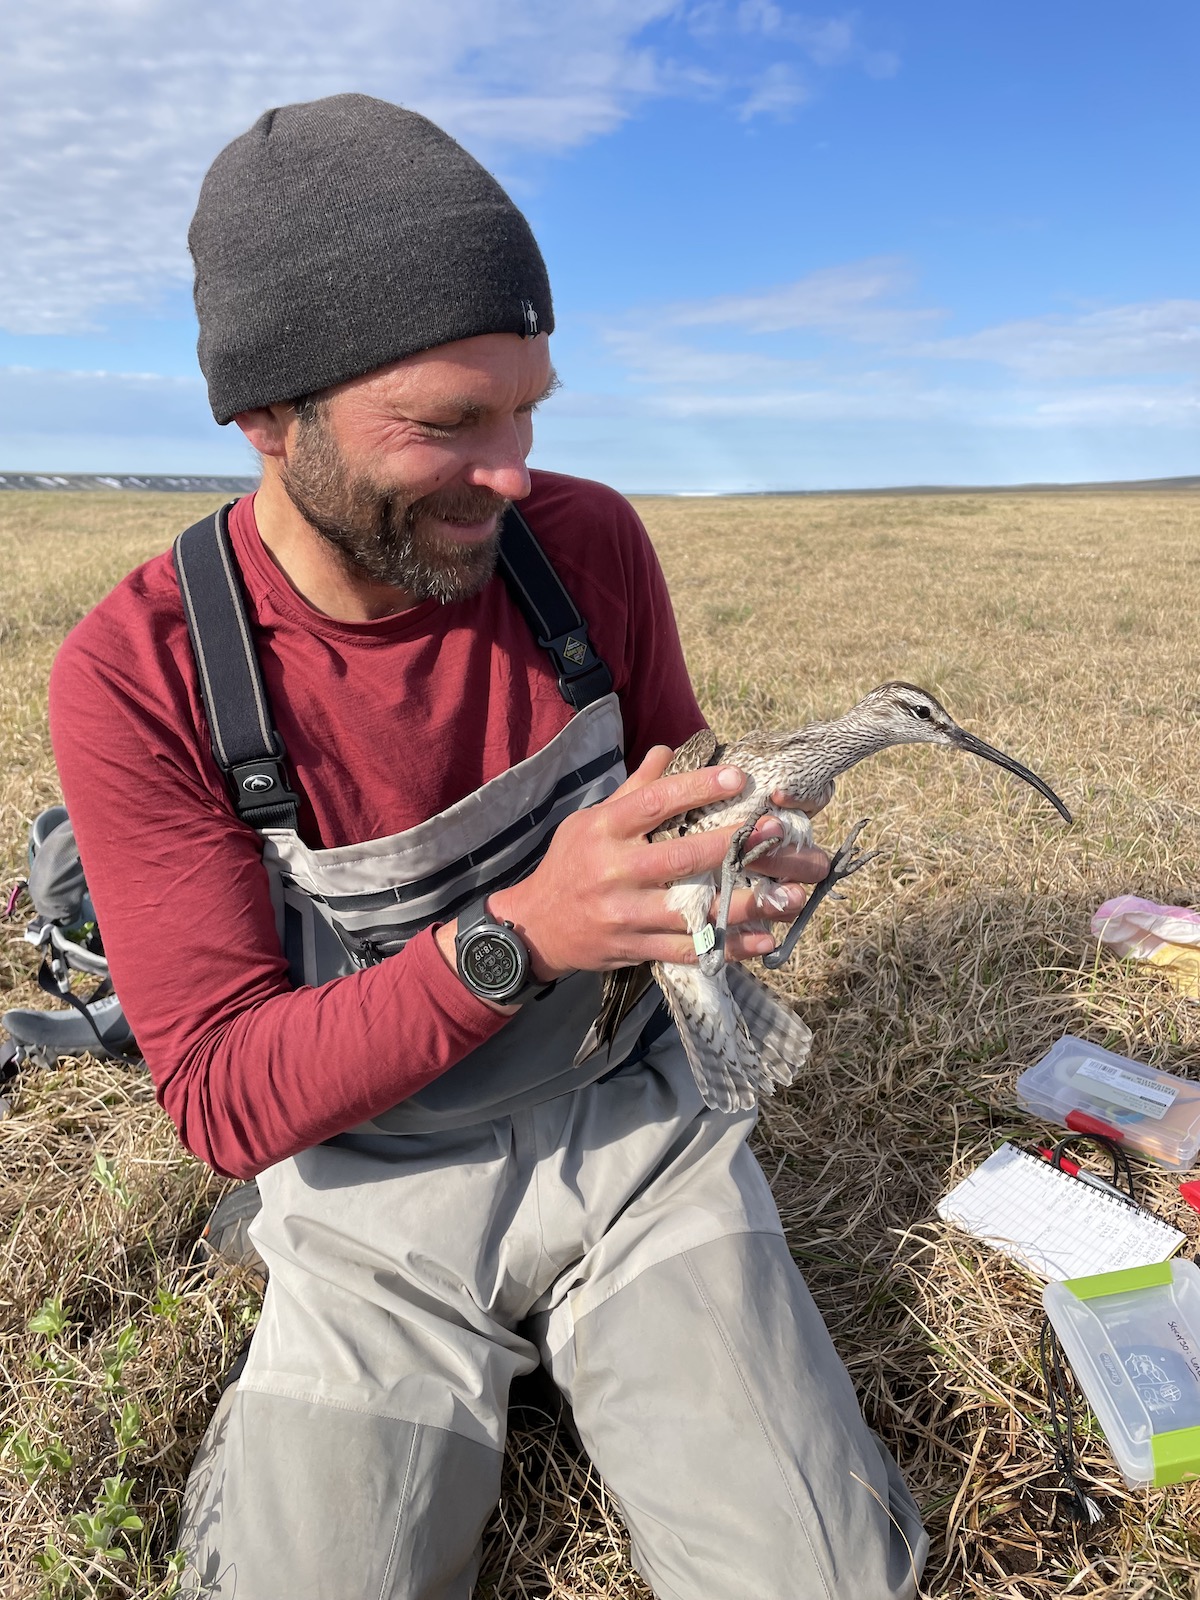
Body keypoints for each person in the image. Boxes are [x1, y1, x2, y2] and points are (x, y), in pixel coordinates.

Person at [49, 94, 927, 1600]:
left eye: (529, 406)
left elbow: (678, 782)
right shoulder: (143, 672)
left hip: (633, 1130)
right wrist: (523, 934)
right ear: (267, 415)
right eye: (447, 423)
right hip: (369, 1196)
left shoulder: (587, 548)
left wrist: (720, 872)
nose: (514, 467)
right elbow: (218, 1099)